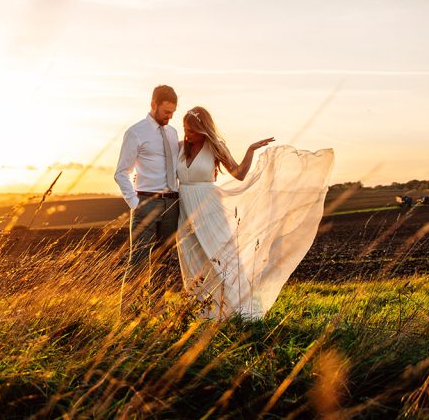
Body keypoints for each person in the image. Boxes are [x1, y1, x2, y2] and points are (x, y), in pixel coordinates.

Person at [176, 106, 334, 320]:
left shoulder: (214, 147)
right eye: (185, 129)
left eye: (192, 130)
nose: (188, 134)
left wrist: (250, 150)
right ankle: (202, 312)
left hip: (210, 209)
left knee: (221, 260)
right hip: (185, 211)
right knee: (193, 260)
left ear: (203, 129)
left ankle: (239, 311)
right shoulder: (179, 147)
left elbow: (239, 174)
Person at [114, 84, 181, 307]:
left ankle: (156, 312)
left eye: (172, 112)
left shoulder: (172, 132)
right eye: (165, 112)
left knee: (164, 261)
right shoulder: (135, 132)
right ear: (153, 105)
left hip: (172, 203)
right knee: (139, 260)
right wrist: (136, 204)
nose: (169, 117)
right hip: (146, 201)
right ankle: (129, 314)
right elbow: (121, 173)